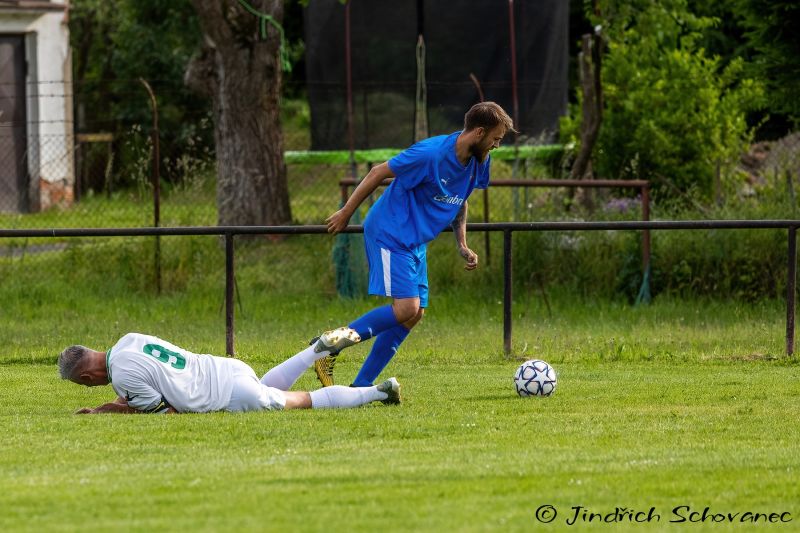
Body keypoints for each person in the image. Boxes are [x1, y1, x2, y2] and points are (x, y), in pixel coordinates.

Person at [316, 101, 515, 387]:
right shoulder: (430, 154)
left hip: (414, 240)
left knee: (414, 315)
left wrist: (462, 243)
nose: (497, 145)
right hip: (390, 231)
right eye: (495, 139)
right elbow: (377, 172)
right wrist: (346, 213)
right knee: (407, 308)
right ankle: (329, 344)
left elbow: (462, 197)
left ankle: (360, 387)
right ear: (479, 132)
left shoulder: (479, 161)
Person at [58, 328, 399, 414]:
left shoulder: (122, 376)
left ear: (88, 379)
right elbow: (141, 385)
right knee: (268, 387)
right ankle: (314, 350)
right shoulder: (128, 340)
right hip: (225, 368)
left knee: (302, 400)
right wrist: (120, 402)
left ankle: (379, 392)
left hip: (226, 395)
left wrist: (106, 410)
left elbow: (161, 410)